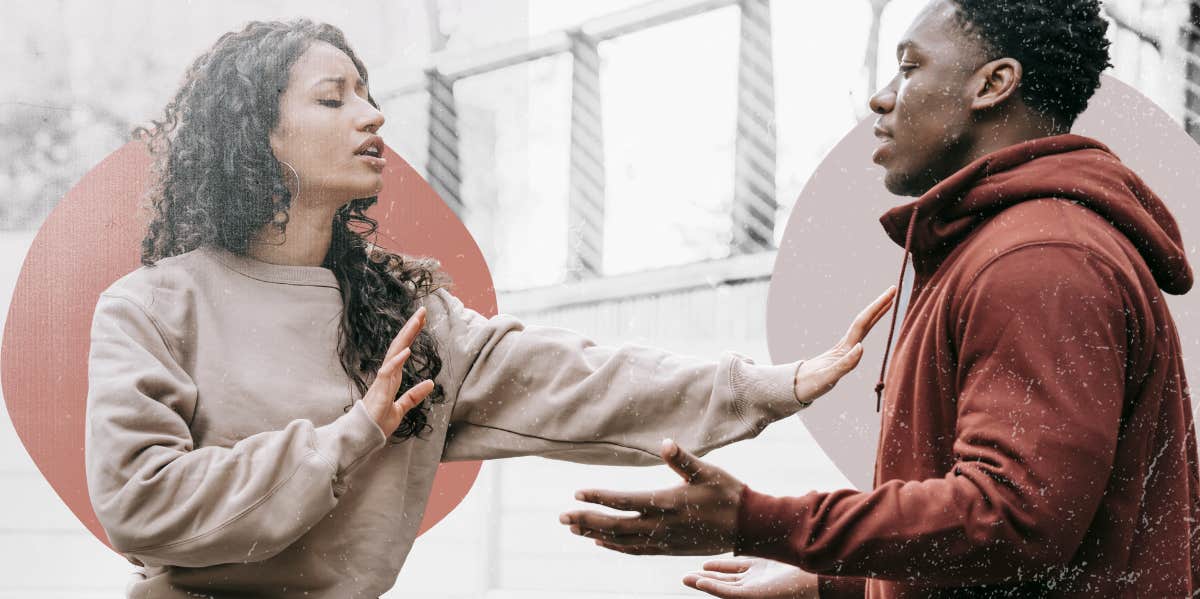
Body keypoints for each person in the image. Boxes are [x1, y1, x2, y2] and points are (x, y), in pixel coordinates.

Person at [82, 18, 897, 598]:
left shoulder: (406, 315)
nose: (374, 116)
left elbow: (580, 381)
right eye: (334, 100)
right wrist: (353, 434)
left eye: (368, 95)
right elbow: (143, 504)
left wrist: (772, 383)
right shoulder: (153, 308)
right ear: (256, 135)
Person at [560, 0, 1200, 597]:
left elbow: (1013, 522)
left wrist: (761, 521)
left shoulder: (1039, 260)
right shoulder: (1011, 246)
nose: (882, 97)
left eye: (910, 67)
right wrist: (829, 581)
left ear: (993, 83)